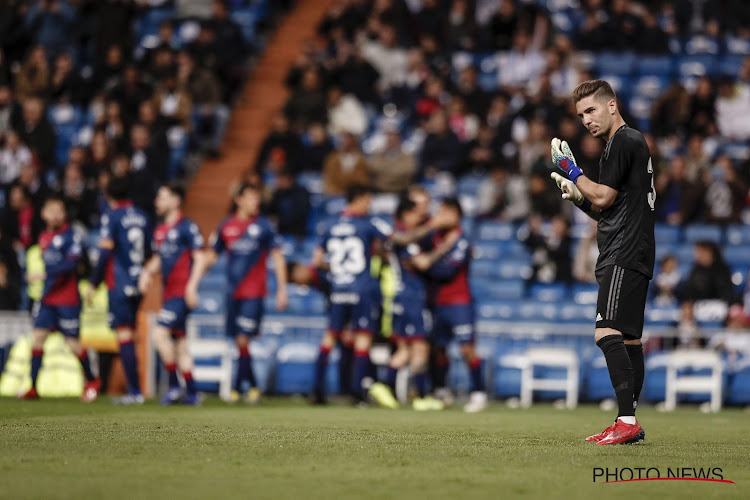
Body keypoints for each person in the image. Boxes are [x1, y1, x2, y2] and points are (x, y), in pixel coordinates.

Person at [550, 79, 655, 445]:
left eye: (591, 110)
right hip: (634, 247)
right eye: (581, 116)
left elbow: (606, 197)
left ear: (612, 105)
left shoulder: (623, 141)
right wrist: (579, 198)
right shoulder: (624, 144)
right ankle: (626, 420)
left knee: (605, 332)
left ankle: (627, 420)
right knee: (628, 340)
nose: (586, 121)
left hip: (623, 253)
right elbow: (609, 210)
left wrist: (573, 171)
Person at [197, 182, 289, 404]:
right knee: (238, 342)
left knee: (243, 339)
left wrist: (282, 290)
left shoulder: (264, 226)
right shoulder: (226, 226)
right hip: (232, 293)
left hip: (254, 292)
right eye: (250, 197)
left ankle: (239, 387)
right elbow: (213, 254)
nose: (255, 202)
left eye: (256, 198)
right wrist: (196, 273)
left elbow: (277, 257)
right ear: (239, 200)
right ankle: (253, 386)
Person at [368, 198, 458, 411]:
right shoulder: (407, 241)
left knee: (405, 351)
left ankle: (383, 386)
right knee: (420, 348)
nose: (421, 217)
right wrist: (448, 245)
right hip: (410, 299)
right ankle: (420, 397)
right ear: (405, 215)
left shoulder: (400, 240)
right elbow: (423, 262)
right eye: (417, 213)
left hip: (401, 298)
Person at [311, 185, 392, 405]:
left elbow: (317, 260)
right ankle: (357, 394)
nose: (369, 205)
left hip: (338, 288)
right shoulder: (367, 224)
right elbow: (391, 240)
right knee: (363, 338)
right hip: (362, 288)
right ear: (359, 199)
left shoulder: (330, 225)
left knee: (330, 337)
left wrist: (339, 271)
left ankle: (317, 390)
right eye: (367, 201)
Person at [18, 194, 100, 402]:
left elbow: (72, 265)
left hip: (67, 298)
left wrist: (44, 275)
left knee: (73, 343)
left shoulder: (71, 236)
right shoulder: (44, 237)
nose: (55, 215)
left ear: (64, 214)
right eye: (51, 210)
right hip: (47, 298)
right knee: (37, 338)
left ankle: (91, 380)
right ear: (44, 214)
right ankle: (33, 387)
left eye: (59, 211)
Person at [138, 184, 206, 406]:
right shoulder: (159, 230)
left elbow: (201, 258)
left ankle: (175, 387)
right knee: (180, 345)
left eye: (162, 197)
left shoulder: (187, 227)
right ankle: (193, 393)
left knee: (159, 335)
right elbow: (159, 259)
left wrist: (192, 287)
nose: (157, 201)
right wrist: (147, 272)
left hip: (180, 294)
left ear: (176, 201)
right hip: (168, 295)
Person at [88, 176, 151, 405]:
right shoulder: (143, 216)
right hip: (139, 282)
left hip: (119, 281)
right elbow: (149, 250)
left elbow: (105, 253)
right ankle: (135, 390)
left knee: (123, 334)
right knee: (129, 334)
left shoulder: (112, 216)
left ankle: (135, 392)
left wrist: (93, 284)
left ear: (108, 195)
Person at [421, 198, 487, 413]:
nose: (439, 215)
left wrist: (426, 264)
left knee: (467, 349)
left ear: (456, 215)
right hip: (438, 302)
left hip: (459, 302)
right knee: (438, 349)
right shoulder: (434, 237)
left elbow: (446, 271)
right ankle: (441, 390)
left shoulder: (462, 239)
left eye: (445, 212)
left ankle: (478, 393)